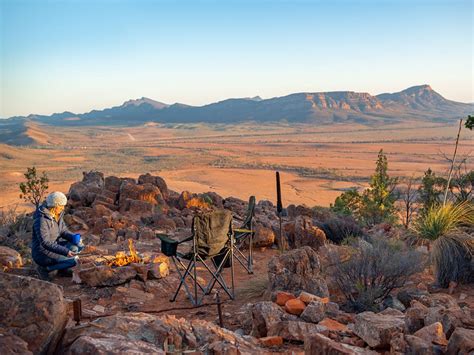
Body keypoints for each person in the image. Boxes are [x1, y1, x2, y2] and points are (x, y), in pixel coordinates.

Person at [32, 191, 84, 281]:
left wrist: (73, 237)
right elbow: (45, 243)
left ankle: (62, 269)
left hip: (54, 247)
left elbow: (63, 231)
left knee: (76, 247)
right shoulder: (41, 220)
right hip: (43, 253)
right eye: (61, 206)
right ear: (55, 206)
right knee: (74, 260)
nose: (63, 208)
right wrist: (65, 251)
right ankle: (44, 269)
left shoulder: (57, 215)